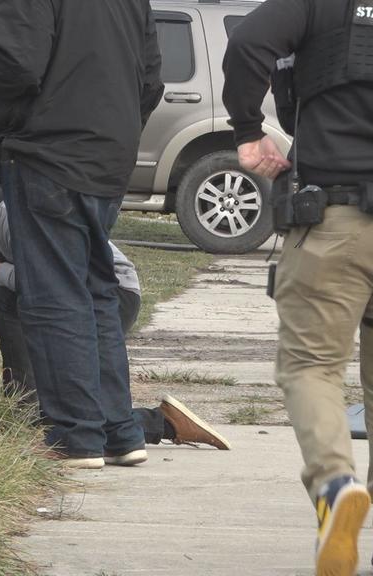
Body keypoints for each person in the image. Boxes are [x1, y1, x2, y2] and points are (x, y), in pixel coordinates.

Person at [0, 1, 164, 467]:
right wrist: (113, 134)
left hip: (48, 157)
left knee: (55, 294)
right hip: (108, 160)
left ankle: (75, 435)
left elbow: (16, 66)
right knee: (95, 290)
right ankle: (119, 433)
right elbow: (150, 83)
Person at [0, 186, 231, 458]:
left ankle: (35, 413)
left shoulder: (9, 217)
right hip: (62, 307)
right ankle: (157, 422)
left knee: (7, 301)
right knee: (76, 416)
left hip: (108, 294)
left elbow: (51, 279)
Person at [222, 0, 373, 572]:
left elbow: (246, 46)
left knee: (312, 366)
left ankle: (336, 487)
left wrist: (247, 130)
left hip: (335, 220)